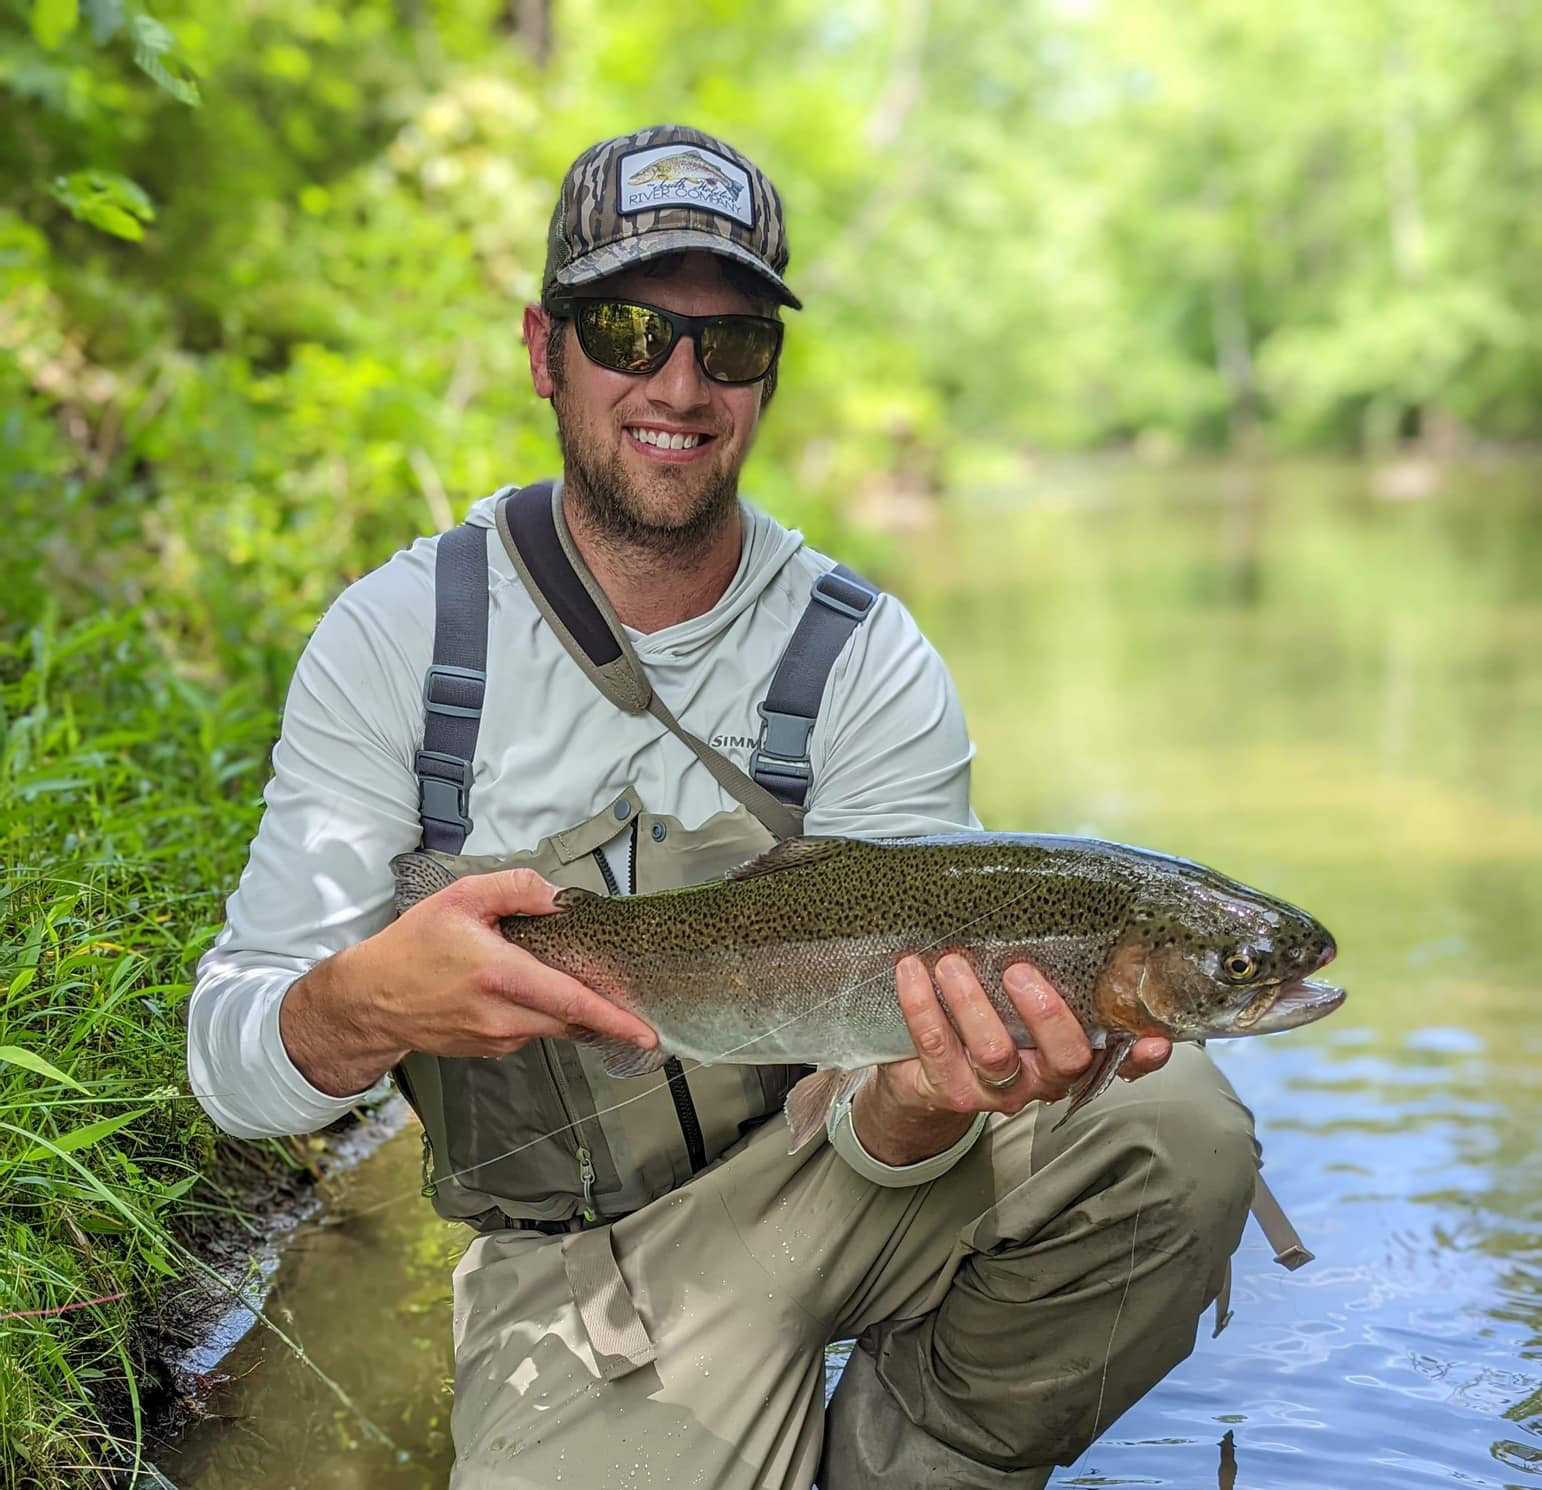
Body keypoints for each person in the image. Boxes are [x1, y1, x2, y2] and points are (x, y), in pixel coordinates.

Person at [187, 125, 1258, 1490]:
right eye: (630, 328)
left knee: (1171, 1134)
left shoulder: (863, 657)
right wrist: (358, 1007)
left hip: (838, 1174)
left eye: (731, 341)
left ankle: (911, 1456)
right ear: (543, 349)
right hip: (579, 1259)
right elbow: (226, 1063)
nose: (679, 381)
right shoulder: (403, 643)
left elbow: (876, 1127)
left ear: (767, 373)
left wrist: (925, 1103)